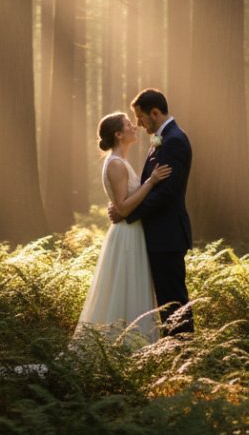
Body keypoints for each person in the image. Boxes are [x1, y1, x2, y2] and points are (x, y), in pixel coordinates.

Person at [74, 112, 172, 346]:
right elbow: (124, 208)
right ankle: (127, 345)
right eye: (129, 125)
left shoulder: (119, 161)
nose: (134, 127)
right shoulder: (116, 164)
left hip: (131, 232)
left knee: (130, 287)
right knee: (126, 287)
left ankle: (133, 344)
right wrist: (151, 181)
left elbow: (121, 203)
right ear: (118, 134)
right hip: (127, 234)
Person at [108, 88, 194, 336]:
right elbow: (152, 186)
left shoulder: (175, 140)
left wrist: (127, 212)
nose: (138, 123)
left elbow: (166, 193)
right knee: (166, 299)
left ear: (155, 113)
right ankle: (173, 349)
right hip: (159, 235)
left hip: (167, 235)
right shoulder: (163, 139)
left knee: (174, 300)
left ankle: (183, 349)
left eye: (140, 117)